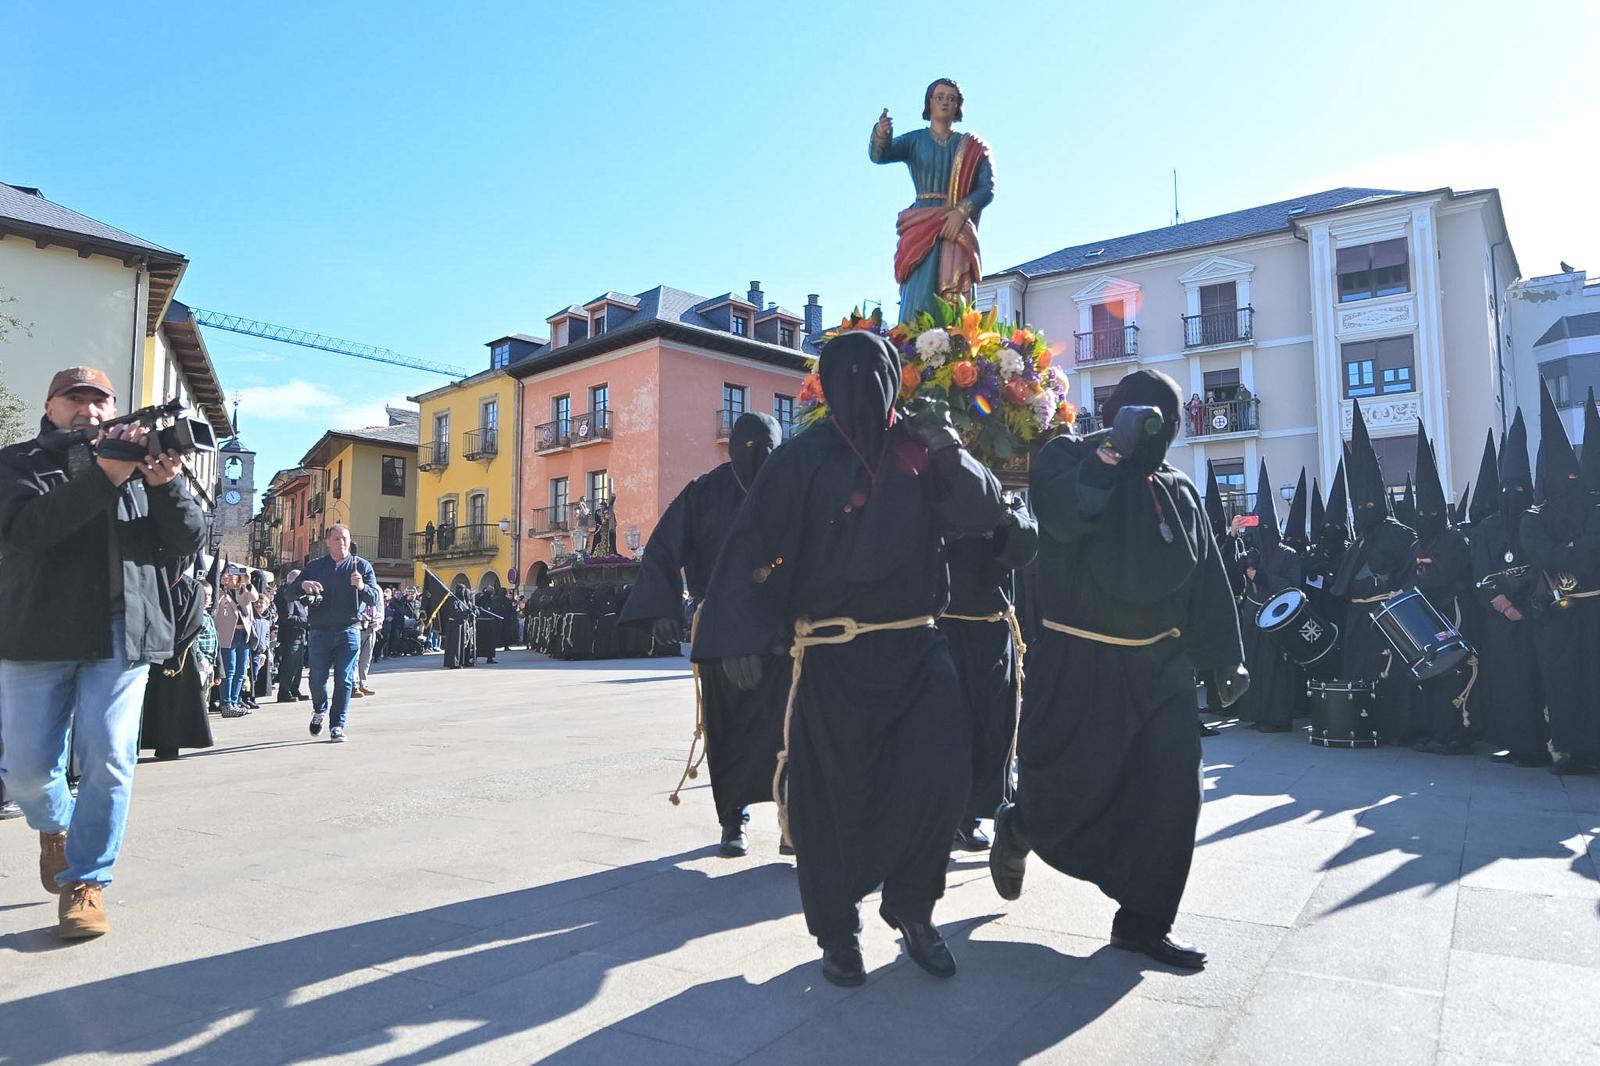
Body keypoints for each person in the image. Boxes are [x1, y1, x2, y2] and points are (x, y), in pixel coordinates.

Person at [693, 330, 1007, 988]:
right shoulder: (801, 458)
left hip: (918, 648)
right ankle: (838, 932)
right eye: (850, 374)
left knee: (940, 780)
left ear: (896, 379)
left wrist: (947, 443)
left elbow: (984, 510)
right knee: (833, 799)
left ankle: (913, 908)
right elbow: (750, 547)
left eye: (878, 373)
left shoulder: (922, 447)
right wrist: (735, 638)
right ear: (831, 386)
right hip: (834, 655)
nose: (865, 386)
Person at [988, 368, 1248, 971]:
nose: (1160, 430)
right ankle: (1020, 827)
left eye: (1168, 420)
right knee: (1069, 792)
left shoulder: (1179, 487)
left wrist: (1225, 657)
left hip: (1163, 669)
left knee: (1173, 797)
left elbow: (1206, 576)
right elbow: (1065, 516)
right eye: (1147, 416)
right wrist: (1109, 453)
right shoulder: (1066, 459)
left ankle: (1143, 923)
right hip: (1083, 661)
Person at [0, 365, 204, 939]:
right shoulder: (17, 463)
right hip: (35, 632)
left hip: (122, 632)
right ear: (50, 406)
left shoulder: (140, 464)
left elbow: (187, 540)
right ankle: (55, 826)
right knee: (26, 770)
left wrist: (166, 486)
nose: (88, 409)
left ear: (114, 409)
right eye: (75, 399)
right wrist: (106, 476)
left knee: (110, 754)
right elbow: (27, 532)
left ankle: (86, 881)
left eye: (100, 401)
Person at [620, 411, 788, 857]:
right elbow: (663, 545)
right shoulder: (704, 492)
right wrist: (661, 606)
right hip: (720, 626)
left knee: (787, 726)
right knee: (726, 727)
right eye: (751, 449)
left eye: (769, 450)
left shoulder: (789, 490)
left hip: (779, 628)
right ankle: (733, 820)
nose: (759, 459)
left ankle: (792, 819)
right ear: (733, 449)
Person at [939, 494, 1038, 850]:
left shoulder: (1008, 498)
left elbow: (1025, 547)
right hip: (946, 626)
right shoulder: (941, 492)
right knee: (952, 726)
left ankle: (992, 809)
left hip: (993, 626)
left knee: (997, 725)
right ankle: (955, 816)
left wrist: (1006, 515)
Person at [1520, 382, 1600, 774]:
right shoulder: (1533, 518)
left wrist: (1567, 552)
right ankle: (1571, 750)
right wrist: (1574, 550)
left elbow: (1590, 550)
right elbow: (1541, 552)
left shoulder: (1595, 509)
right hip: (1557, 614)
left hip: (1595, 611)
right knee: (1563, 682)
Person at [1330, 401, 1418, 746]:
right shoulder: (1359, 540)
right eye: (1359, 506)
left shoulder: (1400, 534)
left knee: (1390, 676)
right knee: (1359, 673)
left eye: (1369, 505)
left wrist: (1396, 590)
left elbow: (1410, 570)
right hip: (1358, 619)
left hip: (1387, 616)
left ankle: (1396, 728)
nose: (1364, 510)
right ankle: (1360, 726)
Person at [870, 78, 994, 323]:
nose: (945, 102)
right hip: (921, 223)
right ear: (929, 103)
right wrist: (881, 134)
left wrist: (961, 212)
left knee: (955, 292)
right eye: (940, 97)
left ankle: (955, 339)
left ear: (958, 105)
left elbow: (987, 188)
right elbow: (881, 155)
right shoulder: (915, 140)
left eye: (951, 98)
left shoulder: (972, 147)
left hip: (955, 224)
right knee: (919, 288)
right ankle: (914, 338)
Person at [1468, 416, 1548, 766]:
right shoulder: (1488, 529)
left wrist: (1524, 605)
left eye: (1517, 489)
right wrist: (1502, 604)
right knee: (1505, 683)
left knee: (1534, 682)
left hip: (1534, 618)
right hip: (1500, 622)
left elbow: (1542, 567)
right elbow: (1481, 573)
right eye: (1505, 490)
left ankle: (1538, 745)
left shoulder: (1536, 522)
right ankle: (1513, 743)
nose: (1510, 497)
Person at [1407, 424, 1476, 756]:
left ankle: (1456, 735)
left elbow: (1446, 576)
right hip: (1426, 619)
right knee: (1431, 676)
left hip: (1452, 614)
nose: (1426, 518)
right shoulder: (1418, 543)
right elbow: (1412, 577)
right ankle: (1435, 730)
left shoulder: (1455, 540)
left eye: (1431, 513)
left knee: (1453, 675)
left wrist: (1426, 577)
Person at [287, 524, 378, 742]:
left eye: (345, 538)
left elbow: (374, 598)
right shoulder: (315, 566)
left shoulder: (361, 566)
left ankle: (337, 725)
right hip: (320, 631)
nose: (342, 543)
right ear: (327, 542)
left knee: (344, 679)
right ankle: (320, 709)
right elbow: (289, 594)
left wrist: (362, 587)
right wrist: (303, 584)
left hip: (349, 630)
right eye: (337, 539)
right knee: (317, 678)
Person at [1232, 461, 1302, 732]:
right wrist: (1234, 536)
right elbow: (1231, 566)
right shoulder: (1253, 553)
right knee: (1256, 667)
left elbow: (1294, 586)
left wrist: (1263, 578)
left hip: (1278, 621)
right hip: (1254, 619)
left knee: (1276, 671)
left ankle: (1277, 718)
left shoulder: (1289, 555)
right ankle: (1257, 714)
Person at [139, 563, 215, 761]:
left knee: (174, 703)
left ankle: (168, 746)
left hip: (180, 655)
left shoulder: (192, 587)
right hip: (150, 649)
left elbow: (193, 622)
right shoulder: (151, 579)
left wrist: (171, 646)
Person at [213, 566, 259, 717]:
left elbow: (254, 598)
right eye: (228, 573)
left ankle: (234, 701)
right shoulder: (220, 591)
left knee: (241, 671)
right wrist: (223, 585)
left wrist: (247, 581)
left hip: (243, 633)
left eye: (234, 573)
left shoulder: (243, 590)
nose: (231, 576)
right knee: (229, 670)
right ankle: (226, 704)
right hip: (227, 635)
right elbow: (215, 604)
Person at [273, 569, 309, 701]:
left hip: (299, 635)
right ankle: (284, 691)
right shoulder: (287, 594)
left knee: (298, 665)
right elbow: (287, 617)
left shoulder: (295, 595)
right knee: (289, 665)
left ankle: (294, 689)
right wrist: (306, 621)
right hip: (290, 635)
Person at [353, 585, 383, 695]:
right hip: (356, 627)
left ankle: (362, 683)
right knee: (354, 658)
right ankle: (354, 685)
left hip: (371, 628)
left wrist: (378, 620)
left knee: (366, 657)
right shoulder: (354, 585)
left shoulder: (376, 588)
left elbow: (380, 607)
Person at [441, 583, 476, 668]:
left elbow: (466, 610)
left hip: (462, 625)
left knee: (461, 645)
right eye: (462, 590)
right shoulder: (453, 600)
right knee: (454, 645)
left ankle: (461, 661)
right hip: (454, 625)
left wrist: (471, 611)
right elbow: (454, 613)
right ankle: (453, 663)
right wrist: (466, 612)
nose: (463, 592)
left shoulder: (463, 600)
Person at [475, 588, 499, 664]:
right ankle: (476, 656)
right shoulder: (480, 600)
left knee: (489, 642)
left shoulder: (492, 600)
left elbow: (495, 610)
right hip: (482, 623)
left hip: (489, 623)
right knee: (481, 641)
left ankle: (489, 657)